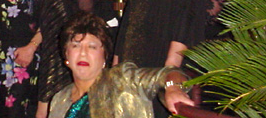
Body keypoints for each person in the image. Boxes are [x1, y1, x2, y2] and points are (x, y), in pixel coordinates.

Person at [49, 12, 195, 118]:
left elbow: (168, 73)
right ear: (66, 55)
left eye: (92, 47)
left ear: (104, 56)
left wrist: (173, 87)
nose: (83, 53)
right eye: (75, 46)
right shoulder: (59, 99)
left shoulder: (122, 80)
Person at [34, 0, 97, 118]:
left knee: (53, 106)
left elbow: (86, 17)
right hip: (48, 47)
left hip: (66, 48)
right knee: (46, 106)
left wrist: (75, 48)